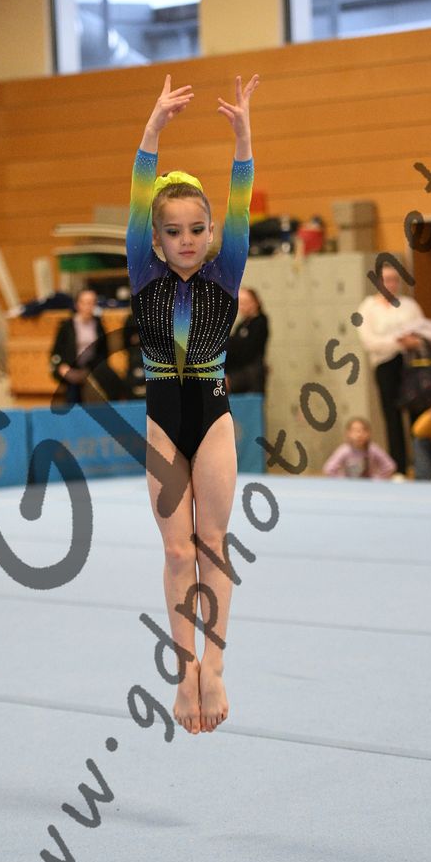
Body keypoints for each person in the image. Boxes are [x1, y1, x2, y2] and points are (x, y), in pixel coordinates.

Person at [127, 72, 258, 735]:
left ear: (210, 233)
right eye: (173, 230)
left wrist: (242, 140)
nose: (187, 238)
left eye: (197, 229)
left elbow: (241, 205)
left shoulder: (225, 272)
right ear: (155, 238)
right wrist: (153, 131)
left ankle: (216, 665)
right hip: (162, 422)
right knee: (178, 553)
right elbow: (137, 198)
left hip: (211, 419)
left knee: (212, 541)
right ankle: (185, 673)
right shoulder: (142, 272)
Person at [354, 263, 425, 475]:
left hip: (410, 365)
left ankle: (422, 466)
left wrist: (410, 343)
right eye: (386, 280)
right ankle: (399, 467)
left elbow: (422, 334)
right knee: (392, 417)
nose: (391, 284)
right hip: (385, 365)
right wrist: (398, 342)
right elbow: (370, 342)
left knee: (417, 416)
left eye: (395, 280)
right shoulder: (368, 307)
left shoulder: (409, 306)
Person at [49, 288, 109, 404]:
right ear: (77, 305)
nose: (88, 306)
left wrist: (96, 367)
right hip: (71, 368)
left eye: (91, 303)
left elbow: (104, 351)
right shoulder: (67, 326)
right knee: (73, 389)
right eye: (84, 303)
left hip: (91, 368)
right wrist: (61, 366)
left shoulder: (98, 325)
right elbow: (56, 351)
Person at [224, 287, 269, 393]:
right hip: (238, 370)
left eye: (245, 302)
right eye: (240, 303)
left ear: (255, 302)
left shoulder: (260, 322)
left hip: (250, 372)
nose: (242, 307)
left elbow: (246, 351)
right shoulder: (242, 324)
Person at [322, 416, 396, 479]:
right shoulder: (344, 450)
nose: (359, 435)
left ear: (368, 433)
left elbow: (390, 466)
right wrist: (343, 480)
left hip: (369, 485)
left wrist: (377, 479)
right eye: (355, 431)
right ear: (348, 433)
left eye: (363, 430)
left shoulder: (372, 449)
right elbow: (328, 469)